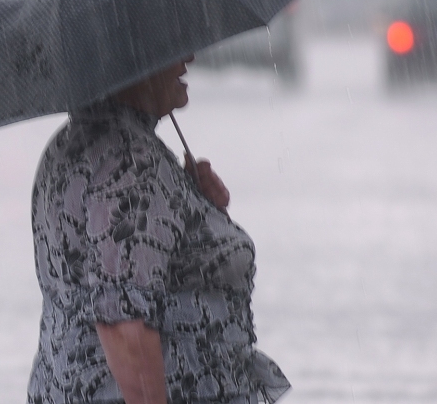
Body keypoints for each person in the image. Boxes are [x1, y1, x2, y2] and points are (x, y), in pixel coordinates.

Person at [27, 56, 290, 404]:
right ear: (128, 62)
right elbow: (122, 321)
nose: (187, 57)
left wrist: (202, 214)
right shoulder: (129, 163)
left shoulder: (77, 142)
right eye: (168, 52)